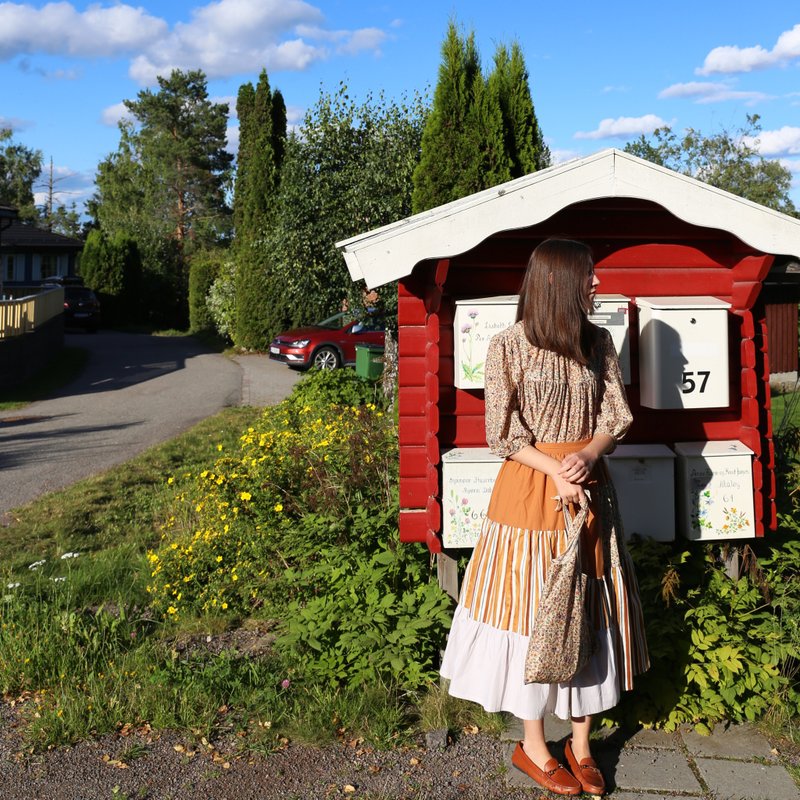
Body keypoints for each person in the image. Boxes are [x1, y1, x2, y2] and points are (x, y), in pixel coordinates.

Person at [440, 238, 649, 797]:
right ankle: (533, 743)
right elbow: (500, 433)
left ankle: (581, 743)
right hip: (530, 491)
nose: (597, 285)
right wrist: (555, 467)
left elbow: (617, 416)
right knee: (532, 611)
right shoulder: (508, 344)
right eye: (589, 277)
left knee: (588, 606)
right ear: (559, 281)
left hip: (587, 490)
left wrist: (587, 454)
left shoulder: (597, 340)